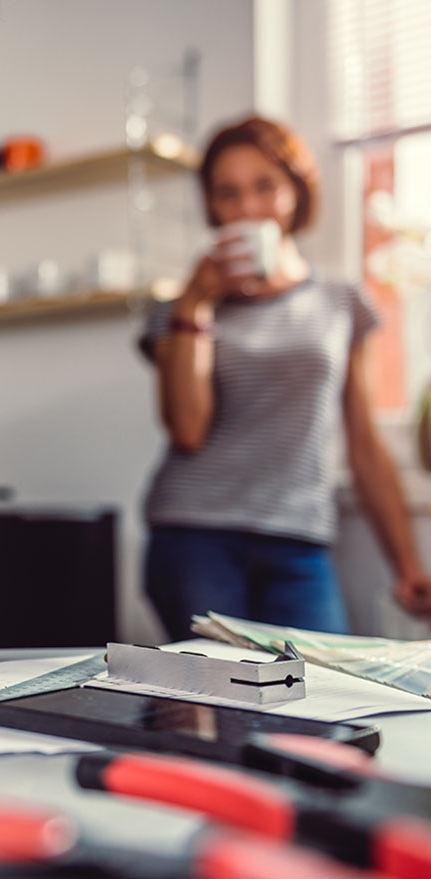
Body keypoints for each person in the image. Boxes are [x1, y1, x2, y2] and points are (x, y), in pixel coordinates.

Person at [139, 115, 431, 641]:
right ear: (212, 206)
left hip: (300, 540)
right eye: (228, 193)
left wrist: (407, 565)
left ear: (296, 191)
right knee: (215, 712)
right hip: (194, 534)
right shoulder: (178, 308)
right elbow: (187, 429)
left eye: (265, 186)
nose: (247, 208)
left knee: (317, 704)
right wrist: (196, 302)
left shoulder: (341, 303)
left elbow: (364, 444)